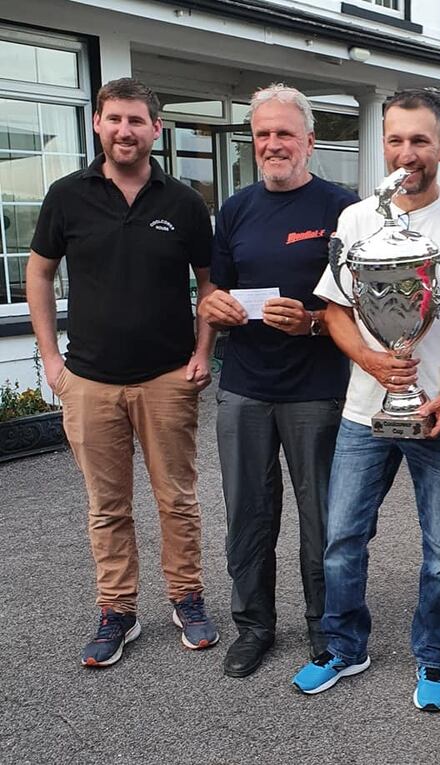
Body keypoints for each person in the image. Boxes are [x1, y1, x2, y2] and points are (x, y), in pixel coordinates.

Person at [292, 90, 440, 711]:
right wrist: (374, 360)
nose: (407, 153)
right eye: (395, 140)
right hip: (364, 411)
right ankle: (344, 647)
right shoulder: (357, 220)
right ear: (383, 145)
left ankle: (432, 658)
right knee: (343, 537)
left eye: (419, 141)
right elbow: (335, 313)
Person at [26, 77, 218, 668]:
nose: (124, 130)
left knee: (177, 499)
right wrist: (51, 359)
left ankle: (187, 598)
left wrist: (203, 352)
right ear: (97, 124)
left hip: (166, 377)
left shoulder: (184, 202)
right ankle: (118, 611)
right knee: (106, 505)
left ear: (155, 129)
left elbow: (209, 286)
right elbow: (38, 274)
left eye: (136, 120)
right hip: (88, 379)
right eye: (114, 119)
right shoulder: (66, 196)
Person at [197, 85, 357, 679]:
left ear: (309, 140)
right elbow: (214, 288)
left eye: (284, 133)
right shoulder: (236, 209)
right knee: (248, 514)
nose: (272, 144)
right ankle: (255, 627)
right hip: (243, 386)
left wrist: (315, 322)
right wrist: (212, 309)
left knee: (323, 519)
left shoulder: (342, 209)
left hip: (316, 389)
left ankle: (326, 628)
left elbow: (365, 302)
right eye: (262, 134)